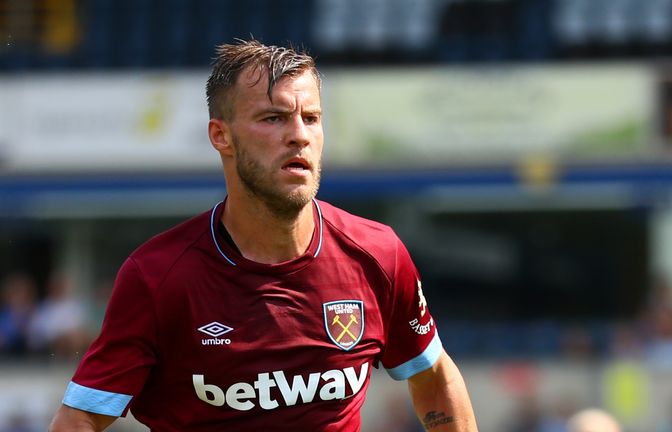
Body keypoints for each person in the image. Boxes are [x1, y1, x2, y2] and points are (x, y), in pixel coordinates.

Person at [49, 39, 477, 431]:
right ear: (222, 136)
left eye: (311, 118)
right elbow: (77, 421)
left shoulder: (378, 254)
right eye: (273, 118)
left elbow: (434, 376)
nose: (299, 135)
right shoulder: (157, 278)